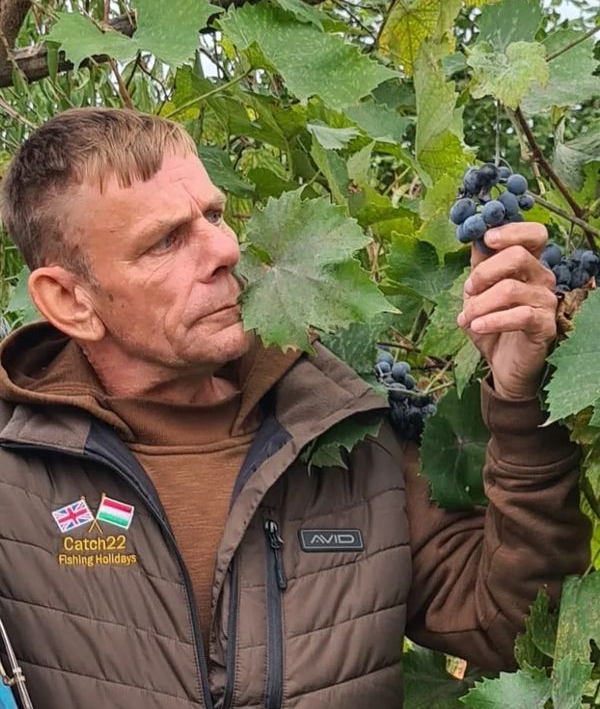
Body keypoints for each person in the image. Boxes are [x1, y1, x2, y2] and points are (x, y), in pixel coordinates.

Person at [0, 107, 590, 709]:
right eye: (166, 241)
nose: (225, 249)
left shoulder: (343, 427)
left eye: (214, 215)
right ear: (70, 300)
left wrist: (519, 404)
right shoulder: (11, 479)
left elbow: (516, 630)